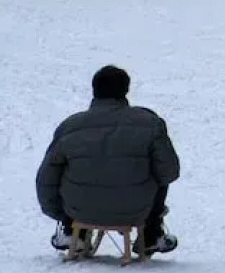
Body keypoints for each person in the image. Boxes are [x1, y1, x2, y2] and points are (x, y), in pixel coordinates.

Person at [36, 66, 180, 256]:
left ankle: (73, 232)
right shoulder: (150, 123)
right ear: (126, 90)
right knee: (157, 169)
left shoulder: (70, 126)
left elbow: (47, 177)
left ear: (94, 89)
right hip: (136, 209)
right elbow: (169, 172)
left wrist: (59, 213)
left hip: (78, 210)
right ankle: (151, 234)